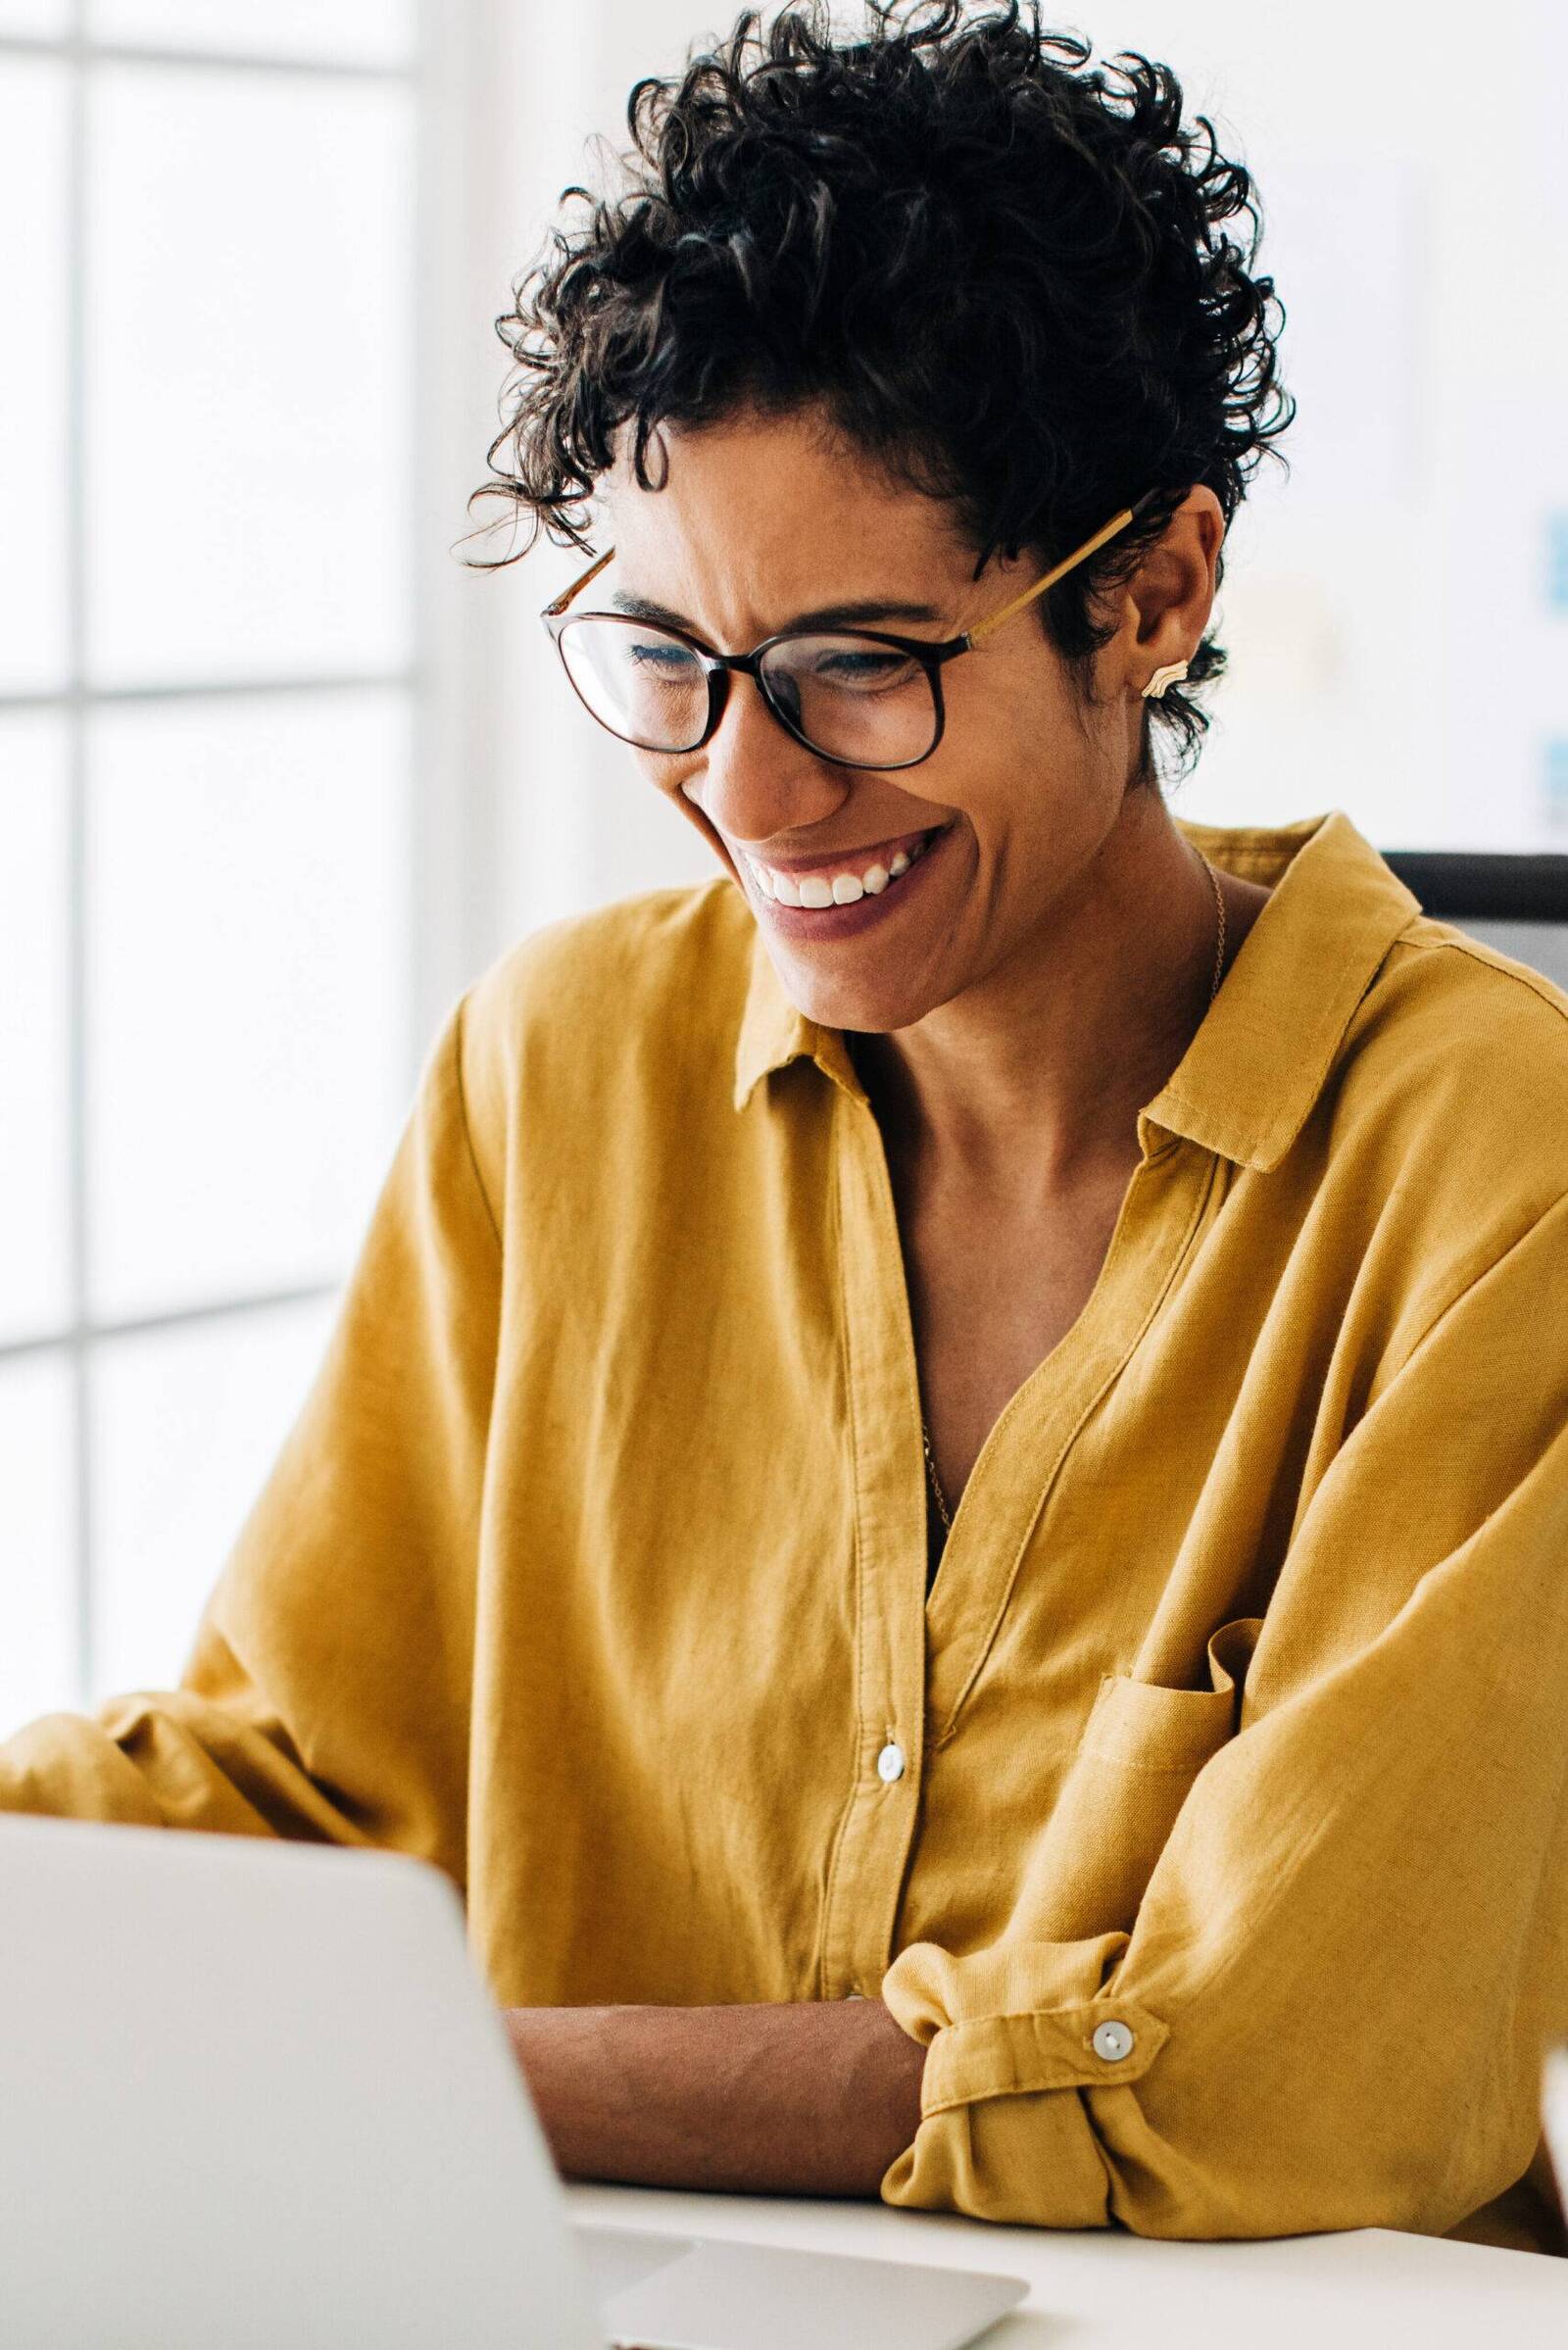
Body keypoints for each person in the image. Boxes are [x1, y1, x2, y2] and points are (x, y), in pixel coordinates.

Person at [5, 0, 1567, 2257]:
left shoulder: (1491, 1165)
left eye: (857, 665)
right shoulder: (554, 1072)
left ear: (1149, 595)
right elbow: (301, 1785)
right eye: (665, 657)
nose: (744, 794)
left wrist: (454, 2069)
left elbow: (1267, 2064)